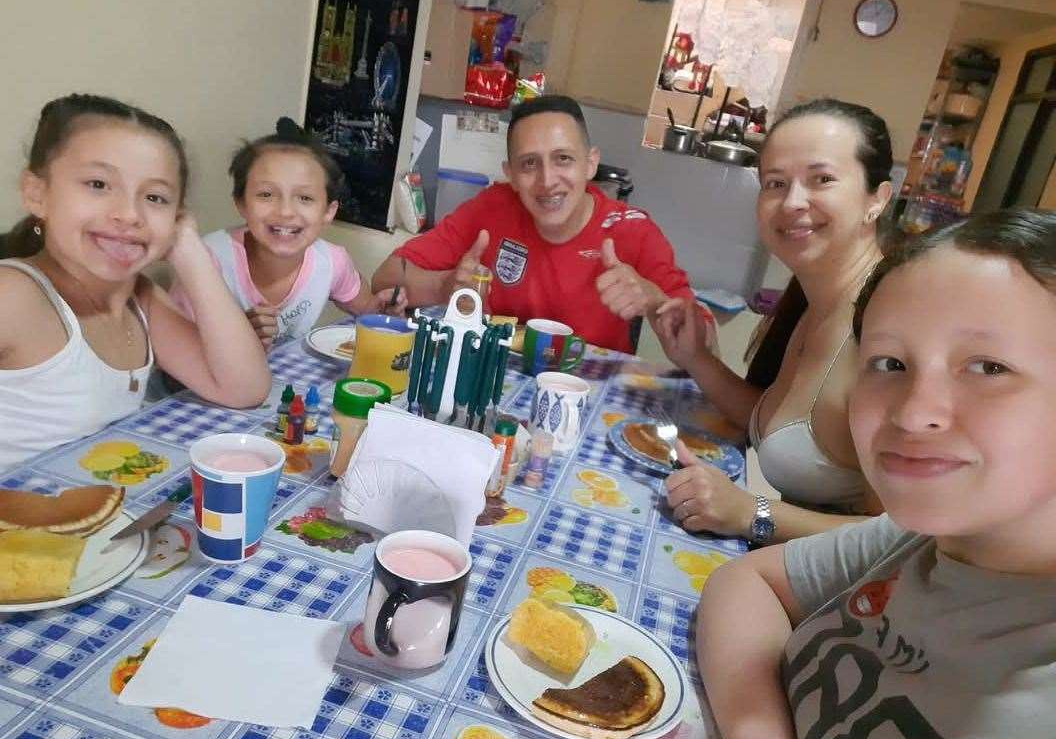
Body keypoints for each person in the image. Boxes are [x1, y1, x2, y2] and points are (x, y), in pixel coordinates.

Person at [695, 207, 1056, 739]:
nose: (913, 413)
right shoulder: (926, 540)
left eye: (988, 367)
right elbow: (745, 583)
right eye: (889, 363)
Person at [655, 99, 894, 543]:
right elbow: (775, 421)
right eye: (775, 183)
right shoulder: (814, 296)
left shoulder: (889, 332)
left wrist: (753, 513)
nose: (792, 203)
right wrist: (695, 358)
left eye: (821, 179)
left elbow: (904, 538)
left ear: (876, 199)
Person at [0, 94, 271, 473]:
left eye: (155, 197)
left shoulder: (138, 300)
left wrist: (190, 254)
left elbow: (244, 389)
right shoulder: (14, 295)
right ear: (37, 193)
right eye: (98, 184)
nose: (129, 214)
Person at [371, 95, 714, 354]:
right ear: (510, 175)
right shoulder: (492, 208)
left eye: (563, 159)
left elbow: (707, 348)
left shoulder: (632, 230)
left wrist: (654, 301)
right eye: (529, 164)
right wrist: (445, 286)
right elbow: (383, 279)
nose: (548, 180)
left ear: (590, 163)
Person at [171, 118, 406, 349]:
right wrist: (236, 339)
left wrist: (386, 310)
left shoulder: (332, 262)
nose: (285, 212)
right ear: (241, 203)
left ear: (328, 211)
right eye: (266, 194)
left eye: (305, 198)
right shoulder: (206, 262)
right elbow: (172, 356)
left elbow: (367, 309)